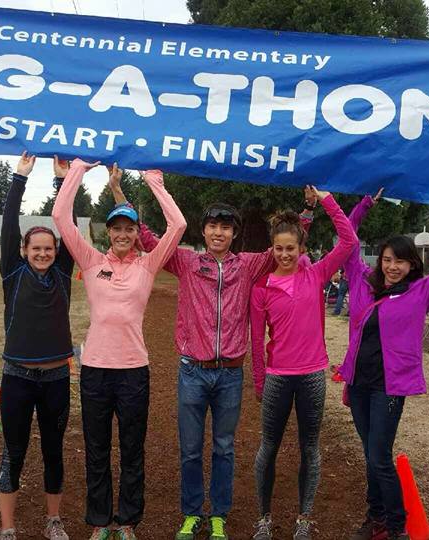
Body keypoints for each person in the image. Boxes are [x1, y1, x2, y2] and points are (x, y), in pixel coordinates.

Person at [114, 180, 315, 540]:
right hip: (192, 371)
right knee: (190, 450)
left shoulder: (249, 265)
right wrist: (118, 191)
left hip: (230, 375)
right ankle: (192, 513)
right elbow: (146, 236)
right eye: (213, 226)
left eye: (226, 227)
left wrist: (308, 211)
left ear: (234, 233)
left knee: (224, 448)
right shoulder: (186, 261)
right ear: (203, 230)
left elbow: (287, 248)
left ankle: (218, 514)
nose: (218, 232)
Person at [52, 159, 187, 540]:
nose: (123, 234)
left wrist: (154, 182)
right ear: (108, 232)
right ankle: (99, 522)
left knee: (131, 450)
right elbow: (60, 215)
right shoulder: (91, 260)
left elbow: (178, 226)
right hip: (94, 369)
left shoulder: (148, 264)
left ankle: (126, 522)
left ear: (134, 233)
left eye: (129, 228)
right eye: (117, 228)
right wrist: (79, 167)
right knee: (96, 451)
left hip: (133, 372)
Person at [337, 193, 429, 540]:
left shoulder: (420, 291)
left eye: (400, 261)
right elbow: (348, 238)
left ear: (412, 264)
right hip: (359, 384)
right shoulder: (362, 283)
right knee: (370, 457)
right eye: (387, 259)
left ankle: (397, 527)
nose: (392, 266)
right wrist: (366, 204)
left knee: (379, 456)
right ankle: (377, 519)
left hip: (389, 386)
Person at [249, 186, 358, 540]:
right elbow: (255, 338)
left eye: (290, 248)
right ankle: (264, 518)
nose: (284, 254)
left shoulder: (316, 275)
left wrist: (327, 199)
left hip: (311, 375)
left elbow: (349, 241)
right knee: (269, 447)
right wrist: (260, 380)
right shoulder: (262, 287)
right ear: (272, 249)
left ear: (301, 249)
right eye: (278, 248)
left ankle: (303, 519)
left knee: (310, 448)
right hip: (278, 377)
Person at [0, 152, 75, 540]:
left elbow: (68, 225)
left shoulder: (62, 273)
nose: (42, 253)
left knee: (53, 451)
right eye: (35, 248)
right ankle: (8, 528)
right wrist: (19, 178)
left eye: (48, 248)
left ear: (56, 252)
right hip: (17, 378)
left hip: (57, 378)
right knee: (14, 451)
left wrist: (62, 182)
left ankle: (53, 521)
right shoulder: (12, 273)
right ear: (25, 251)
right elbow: (9, 227)